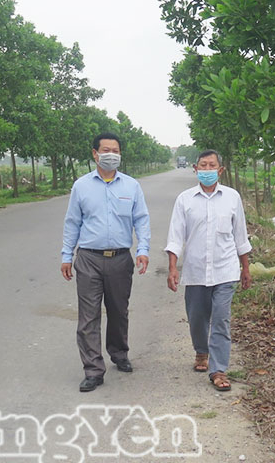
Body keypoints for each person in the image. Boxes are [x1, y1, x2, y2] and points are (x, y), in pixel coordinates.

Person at [61, 132, 150, 392]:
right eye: (106, 150)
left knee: (118, 311)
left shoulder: (131, 186)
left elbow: (141, 220)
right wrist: (67, 255)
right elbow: (72, 222)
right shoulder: (81, 186)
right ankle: (93, 369)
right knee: (88, 317)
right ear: (95, 154)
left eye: (115, 150)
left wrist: (143, 249)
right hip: (89, 258)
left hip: (120, 259)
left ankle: (119, 352)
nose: (111, 154)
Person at [165, 149, 252, 392]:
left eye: (211, 165)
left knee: (221, 319)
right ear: (195, 169)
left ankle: (218, 369)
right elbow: (175, 236)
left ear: (220, 170)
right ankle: (201, 351)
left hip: (226, 271)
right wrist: (173, 267)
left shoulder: (232, 198)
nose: (207, 170)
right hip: (195, 271)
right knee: (197, 317)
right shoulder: (185, 200)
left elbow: (240, 236)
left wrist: (245, 267)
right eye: (202, 165)